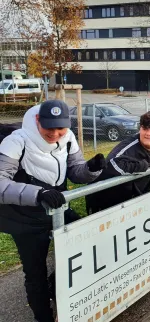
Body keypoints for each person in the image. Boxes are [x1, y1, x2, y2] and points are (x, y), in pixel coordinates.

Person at [0, 100, 106, 322]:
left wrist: (91, 170)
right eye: (49, 128)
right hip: (25, 217)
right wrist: (37, 194)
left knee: (88, 244)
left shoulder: (67, 138)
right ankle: (44, 318)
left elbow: (75, 171)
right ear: (38, 120)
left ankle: (58, 290)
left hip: (57, 208)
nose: (55, 133)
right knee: (34, 272)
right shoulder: (16, 141)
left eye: (61, 128)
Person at [86, 112, 150, 214]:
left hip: (132, 199)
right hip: (105, 200)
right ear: (140, 129)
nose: (148, 134)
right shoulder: (129, 146)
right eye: (145, 128)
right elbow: (110, 164)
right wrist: (140, 166)